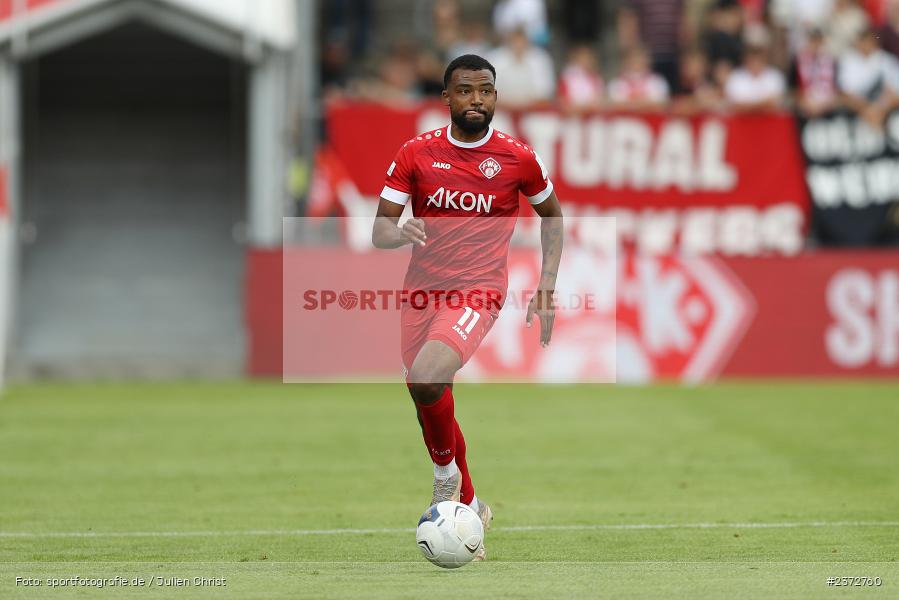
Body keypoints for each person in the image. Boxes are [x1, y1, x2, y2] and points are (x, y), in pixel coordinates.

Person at [371, 54, 564, 561]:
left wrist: (546, 283)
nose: (476, 99)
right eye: (465, 91)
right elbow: (380, 227)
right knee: (426, 396)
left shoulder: (518, 157)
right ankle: (473, 505)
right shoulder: (416, 153)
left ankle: (445, 480)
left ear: (496, 97)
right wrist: (401, 231)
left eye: (485, 90)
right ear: (447, 98)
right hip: (421, 292)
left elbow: (553, 217)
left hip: (478, 289)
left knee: (429, 376)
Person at [487, 28, 556, 108]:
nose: (518, 45)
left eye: (521, 41)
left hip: (534, 110)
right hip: (500, 111)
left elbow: (545, 94)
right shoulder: (495, 58)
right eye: (515, 41)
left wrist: (523, 106)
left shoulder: (541, 58)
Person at [608, 45, 671, 110]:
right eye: (634, 58)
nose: (637, 61)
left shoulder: (657, 81)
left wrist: (633, 103)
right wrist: (643, 103)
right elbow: (614, 104)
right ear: (626, 61)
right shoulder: (617, 82)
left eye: (640, 58)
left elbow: (662, 103)